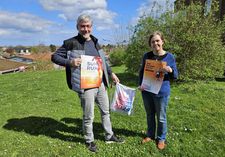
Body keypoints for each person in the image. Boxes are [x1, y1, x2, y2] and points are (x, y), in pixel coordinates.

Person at [51, 14, 124, 153]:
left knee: (105, 111)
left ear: (91, 27)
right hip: (85, 86)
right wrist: (69, 62)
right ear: (77, 27)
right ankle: (89, 140)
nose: (85, 29)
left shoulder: (96, 42)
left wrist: (111, 73)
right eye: (82, 26)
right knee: (88, 115)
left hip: (100, 83)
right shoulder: (70, 42)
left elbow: (103, 62)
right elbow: (54, 57)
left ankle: (109, 136)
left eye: (88, 26)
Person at [138, 31, 178, 150]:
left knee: (161, 117)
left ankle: (161, 138)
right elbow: (142, 72)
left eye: (157, 41)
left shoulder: (169, 57)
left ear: (162, 42)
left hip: (161, 92)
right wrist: (140, 84)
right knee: (150, 114)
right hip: (147, 91)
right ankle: (150, 135)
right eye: (153, 41)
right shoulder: (147, 56)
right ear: (150, 44)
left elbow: (175, 76)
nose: (155, 43)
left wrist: (170, 70)